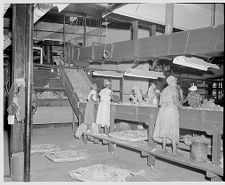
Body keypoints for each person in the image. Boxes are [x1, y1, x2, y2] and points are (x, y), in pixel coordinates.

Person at [153, 75, 184, 156]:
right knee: (173, 129)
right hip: (171, 110)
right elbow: (175, 102)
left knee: (164, 129)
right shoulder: (173, 89)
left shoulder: (164, 90)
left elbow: (160, 103)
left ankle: (163, 149)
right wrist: (183, 107)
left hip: (163, 111)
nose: (176, 82)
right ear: (171, 82)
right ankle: (174, 151)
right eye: (175, 81)